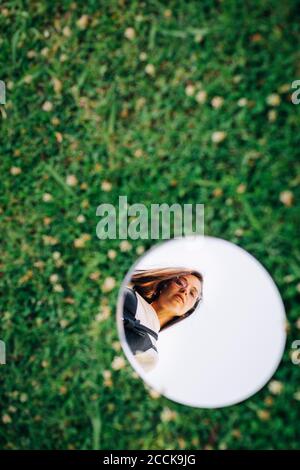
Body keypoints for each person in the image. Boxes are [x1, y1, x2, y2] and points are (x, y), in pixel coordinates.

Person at [122, 267, 203, 372]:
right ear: (165, 285)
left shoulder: (150, 356)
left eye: (192, 293)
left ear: (187, 311)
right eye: (180, 282)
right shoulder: (126, 294)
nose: (185, 291)